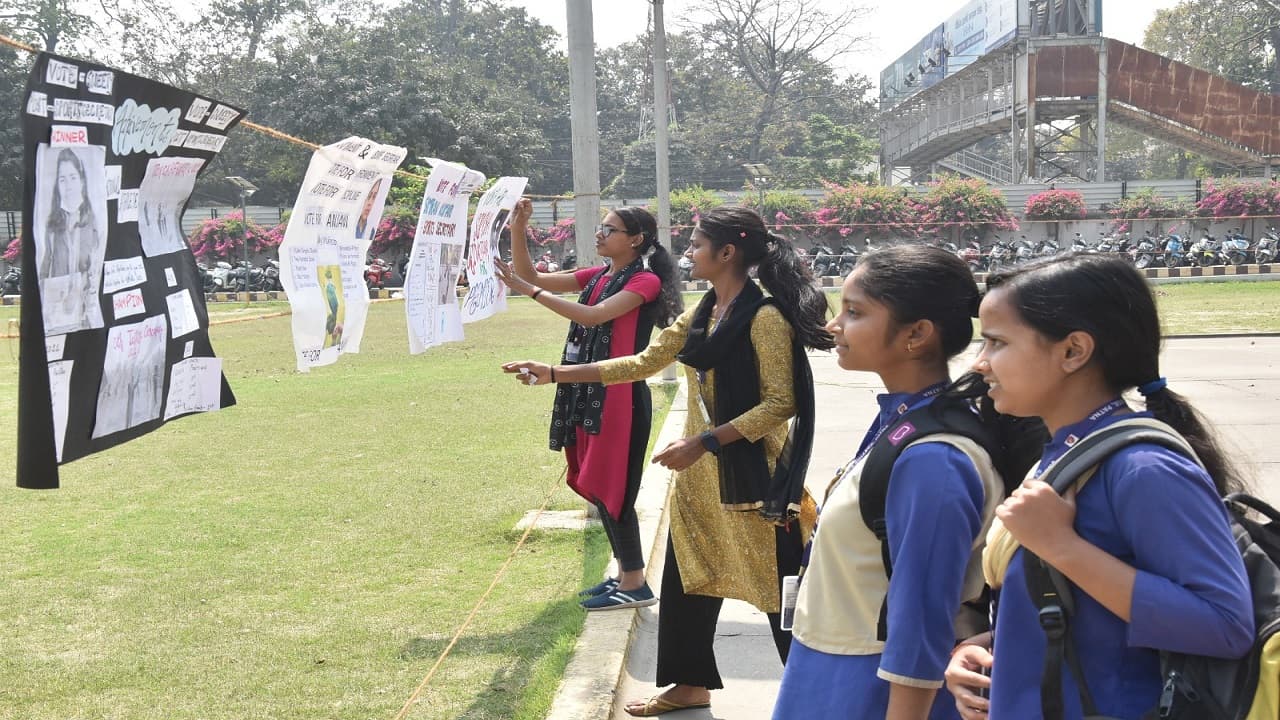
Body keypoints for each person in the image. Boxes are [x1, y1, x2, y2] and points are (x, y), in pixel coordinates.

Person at [501, 205, 833, 716]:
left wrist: (706, 442)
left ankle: (816, 700)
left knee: (778, 587)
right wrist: (553, 372)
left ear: (727, 253)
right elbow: (642, 362)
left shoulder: (763, 317)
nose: (689, 253)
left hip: (755, 482)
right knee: (688, 578)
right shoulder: (702, 313)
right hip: (700, 477)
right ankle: (688, 684)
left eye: (698, 244)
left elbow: (780, 402)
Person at [944, 253, 1254, 720]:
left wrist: (1062, 547)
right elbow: (1090, 614)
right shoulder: (1067, 452)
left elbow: (1225, 625)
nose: (980, 364)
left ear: (1073, 351)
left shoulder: (1143, 468)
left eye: (996, 343)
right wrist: (988, 647)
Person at [772, 246, 1043, 720]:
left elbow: (921, 619)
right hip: (833, 666)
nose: (834, 326)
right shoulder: (905, 421)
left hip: (873, 689)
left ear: (916, 334)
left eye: (854, 312)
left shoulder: (933, 459)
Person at [496, 199, 682, 611]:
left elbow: (594, 317)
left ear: (636, 240)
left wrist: (530, 291)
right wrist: (518, 227)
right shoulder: (599, 275)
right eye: (601, 227)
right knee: (600, 488)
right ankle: (624, 574)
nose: (599, 234)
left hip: (619, 396)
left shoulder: (644, 282)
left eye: (610, 229)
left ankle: (635, 583)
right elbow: (529, 274)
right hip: (588, 388)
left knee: (615, 489)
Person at [39, 148, 101, 330]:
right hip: (58, 315)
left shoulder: (92, 222)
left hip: (86, 313)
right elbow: (43, 270)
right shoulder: (51, 226)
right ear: (57, 185)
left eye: (73, 177)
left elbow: (97, 266)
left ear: (82, 181)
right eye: (62, 179)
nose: (68, 185)